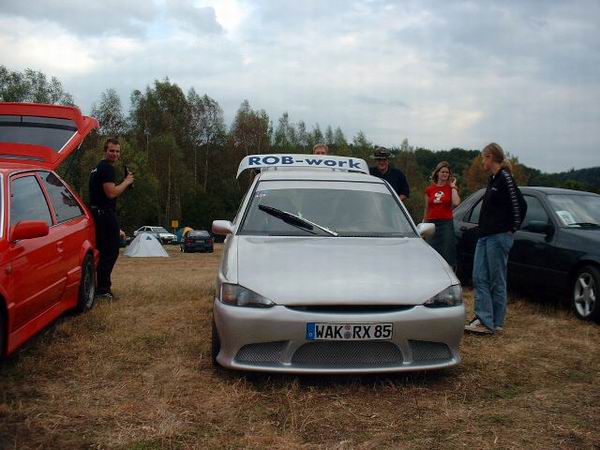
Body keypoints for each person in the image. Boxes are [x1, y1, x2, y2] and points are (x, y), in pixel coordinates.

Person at [465, 143, 527, 334]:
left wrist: (511, 229)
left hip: (498, 237)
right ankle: (486, 319)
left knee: (496, 279)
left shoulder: (505, 178)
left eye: (484, 158)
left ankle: (495, 322)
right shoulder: (493, 179)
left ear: (490, 157)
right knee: (479, 277)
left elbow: (520, 206)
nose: (482, 161)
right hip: (485, 236)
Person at [89, 138, 134, 299]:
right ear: (105, 151)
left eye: (117, 151)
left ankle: (96, 287)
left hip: (98, 214)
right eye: (111, 151)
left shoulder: (96, 168)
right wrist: (126, 181)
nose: (115, 154)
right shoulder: (107, 168)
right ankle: (103, 289)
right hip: (104, 214)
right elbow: (111, 193)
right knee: (110, 252)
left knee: (102, 251)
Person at [424, 161, 460, 268]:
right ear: (437, 173)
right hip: (431, 224)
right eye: (443, 172)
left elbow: (456, 202)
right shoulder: (429, 189)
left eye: (447, 172)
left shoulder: (451, 189)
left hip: (445, 224)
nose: (445, 174)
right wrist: (423, 224)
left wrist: (453, 187)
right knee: (431, 251)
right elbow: (427, 209)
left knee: (447, 252)